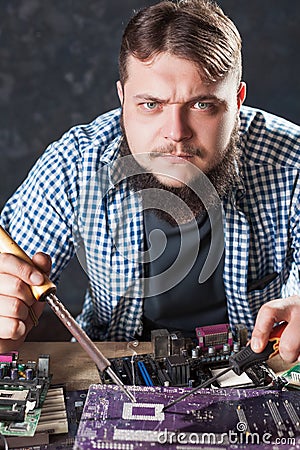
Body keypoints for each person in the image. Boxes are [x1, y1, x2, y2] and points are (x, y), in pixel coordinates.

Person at [0, 0, 299, 362]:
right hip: (110, 369)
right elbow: (10, 270)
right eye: (151, 105)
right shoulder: (75, 164)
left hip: (257, 369)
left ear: (236, 101)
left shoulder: (292, 162)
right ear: (123, 98)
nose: (176, 133)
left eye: (202, 105)